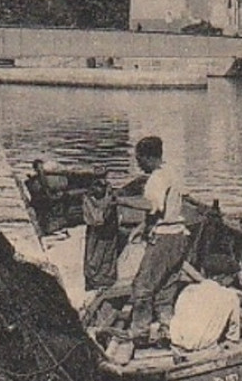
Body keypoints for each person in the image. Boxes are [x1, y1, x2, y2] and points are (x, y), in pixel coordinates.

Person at [125, 135, 188, 343]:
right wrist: (143, 226)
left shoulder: (156, 179)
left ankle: (139, 333)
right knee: (166, 288)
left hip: (163, 239)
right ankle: (167, 330)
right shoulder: (171, 171)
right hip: (179, 236)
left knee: (142, 287)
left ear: (147, 157)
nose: (138, 164)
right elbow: (166, 209)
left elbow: (154, 207)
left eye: (139, 159)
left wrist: (120, 201)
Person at [80, 171, 120, 291]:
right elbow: (96, 218)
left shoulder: (107, 193)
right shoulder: (90, 197)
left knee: (105, 254)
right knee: (96, 255)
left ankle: (102, 280)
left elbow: (103, 216)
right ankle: (96, 280)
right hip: (98, 229)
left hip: (106, 229)